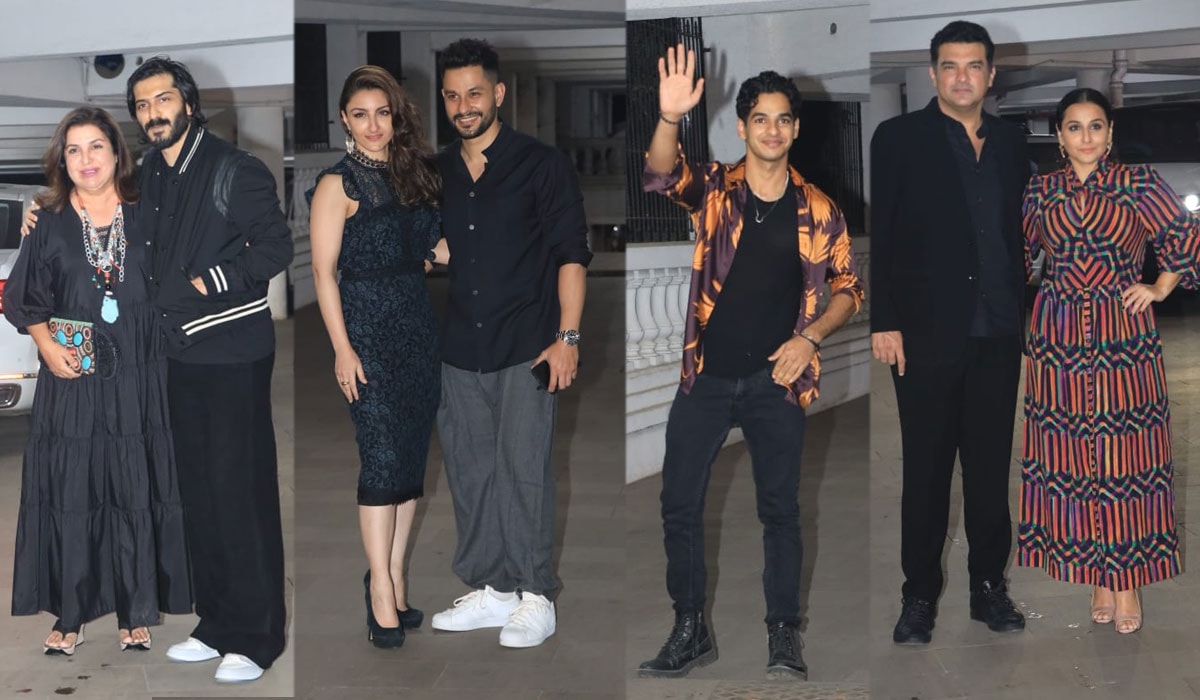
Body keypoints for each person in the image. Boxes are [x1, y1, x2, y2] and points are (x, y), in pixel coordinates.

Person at [636, 46, 863, 681]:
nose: (772, 129)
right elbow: (660, 174)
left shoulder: (819, 208)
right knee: (678, 503)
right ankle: (689, 629)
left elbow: (850, 286)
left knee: (780, 510)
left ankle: (783, 633)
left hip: (777, 382)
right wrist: (667, 116)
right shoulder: (714, 188)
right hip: (704, 377)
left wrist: (809, 338)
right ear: (742, 127)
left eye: (783, 119)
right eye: (760, 118)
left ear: (795, 127)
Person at [128, 57, 292, 682]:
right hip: (178, 356)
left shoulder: (234, 168)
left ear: (189, 104)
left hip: (231, 354)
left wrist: (210, 282)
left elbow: (274, 245)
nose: (152, 114)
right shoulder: (150, 176)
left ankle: (257, 636)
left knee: (240, 495)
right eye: (142, 105)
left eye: (162, 100)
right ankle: (217, 621)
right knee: (197, 495)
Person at [4, 107, 191, 655]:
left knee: (136, 484)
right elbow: (23, 297)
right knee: (75, 489)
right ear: (62, 160)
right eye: (73, 150)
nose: (86, 160)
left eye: (96, 147)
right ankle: (72, 611)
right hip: (74, 370)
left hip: (141, 369)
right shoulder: (50, 219)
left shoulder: (149, 212)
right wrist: (45, 345)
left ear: (117, 153)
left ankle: (136, 609)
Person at [870, 20, 1031, 645]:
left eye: (974, 66)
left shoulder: (1015, 142)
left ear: (991, 75)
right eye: (949, 65)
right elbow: (882, 232)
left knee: (990, 471)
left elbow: (1030, 231)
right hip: (924, 335)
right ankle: (918, 597)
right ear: (933, 73)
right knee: (927, 471)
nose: (962, 76)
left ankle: (989, 587)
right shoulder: (898, 138)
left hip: (997, 333)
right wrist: (884, 318)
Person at [427, 38, 592, 649]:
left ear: (498, 94)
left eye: (475, 92)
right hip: (459, 346)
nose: (464, 105)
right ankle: (492, 590)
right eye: (453, 96)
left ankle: (535, 593)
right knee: (470, 472)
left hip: (528, 341)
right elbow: (434, 242)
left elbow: (571, 254)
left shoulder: (540, 165)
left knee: (524, 469)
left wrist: (567, 337)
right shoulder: (437, 169)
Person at [1018, 87, 1198, 634]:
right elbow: (1018, 256)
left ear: (1111, 133)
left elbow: (1183, 234)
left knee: (1128, 458)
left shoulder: (1138, 183)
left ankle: (1127, 582)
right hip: (1059, 335)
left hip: (1124, 332)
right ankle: (1097, 574)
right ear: (1058, 135)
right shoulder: (1040, 191)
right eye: (1074, 127)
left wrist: (1160, 287)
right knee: (1071, 459)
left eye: (1096, 126)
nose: (1087, 137)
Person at [307, 65, 448, 649]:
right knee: (381, 459)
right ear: (345, 119)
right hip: (365, 330)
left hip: (416, 325)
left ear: (396, 117)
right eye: (360, 114)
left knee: (410, 463)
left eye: (382, 113)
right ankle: (380, 594)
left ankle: (391, 573)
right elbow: (322, 272)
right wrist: (343, 349)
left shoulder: (413, 175)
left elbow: (431, 247)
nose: (372, 125)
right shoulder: (336, 185)